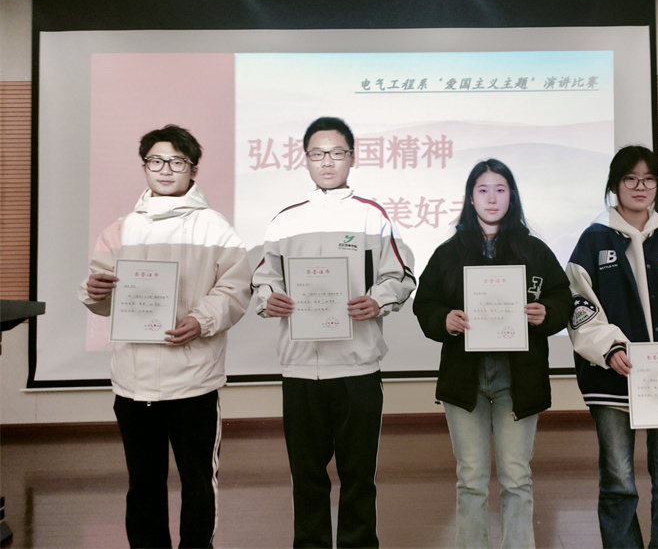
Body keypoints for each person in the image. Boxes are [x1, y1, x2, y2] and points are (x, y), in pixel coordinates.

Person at [78, 124, 252, 548]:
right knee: (143, 484)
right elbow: (101, 292)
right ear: (144, 167)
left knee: (198, 481)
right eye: (156, 161)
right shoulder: (119, 230)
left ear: (193, 169)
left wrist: (201, 321)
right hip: (133, 381)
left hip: (193, 380)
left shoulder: (215, 228)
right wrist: (93, 292)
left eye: (177, 161)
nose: (166, 169)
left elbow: (236, 289)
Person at [251, 116, 416, 549]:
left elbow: (400, 276)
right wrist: (269, 298)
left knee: (358, 476)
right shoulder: (285, 220)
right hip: (300, 370)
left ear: (352, 158)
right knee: (306, 477)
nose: (328, 161)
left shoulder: (373, 217)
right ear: (305, 159)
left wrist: (377, 300)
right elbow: (263, 280)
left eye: (337, 152)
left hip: (357, 369)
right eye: (318, 153)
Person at [413, 158, 572, 549]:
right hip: (465, 376)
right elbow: (425, 303)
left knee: (516, 477)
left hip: (518, 377)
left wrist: (547, 312)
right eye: (482, 190)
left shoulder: (533, 250)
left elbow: (562, 298)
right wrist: (444, 319)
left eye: (500, 189)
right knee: (471, 478)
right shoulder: (449, 252)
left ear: (511, 196)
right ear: (471, 198)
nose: (491, 198)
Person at [566, 145, 658, 549]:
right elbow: (581, 306)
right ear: (615, 185)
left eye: (649, 179)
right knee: (618, 481)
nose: (640, 186)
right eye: (630, 178)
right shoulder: (593, 240)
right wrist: (610, 348)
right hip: (612, 380)